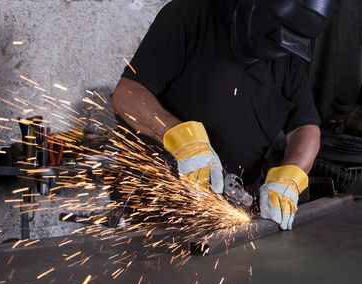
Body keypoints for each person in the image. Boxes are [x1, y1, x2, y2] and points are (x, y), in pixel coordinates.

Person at [112, 0, 333, 230]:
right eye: (274, 37)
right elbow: (126, 95)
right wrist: (182, 140)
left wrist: (291, 175)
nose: (278, 48)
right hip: (152, 211)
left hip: (228, 215)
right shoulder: (189, 16)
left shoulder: (289, 50)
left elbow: (305, 127)